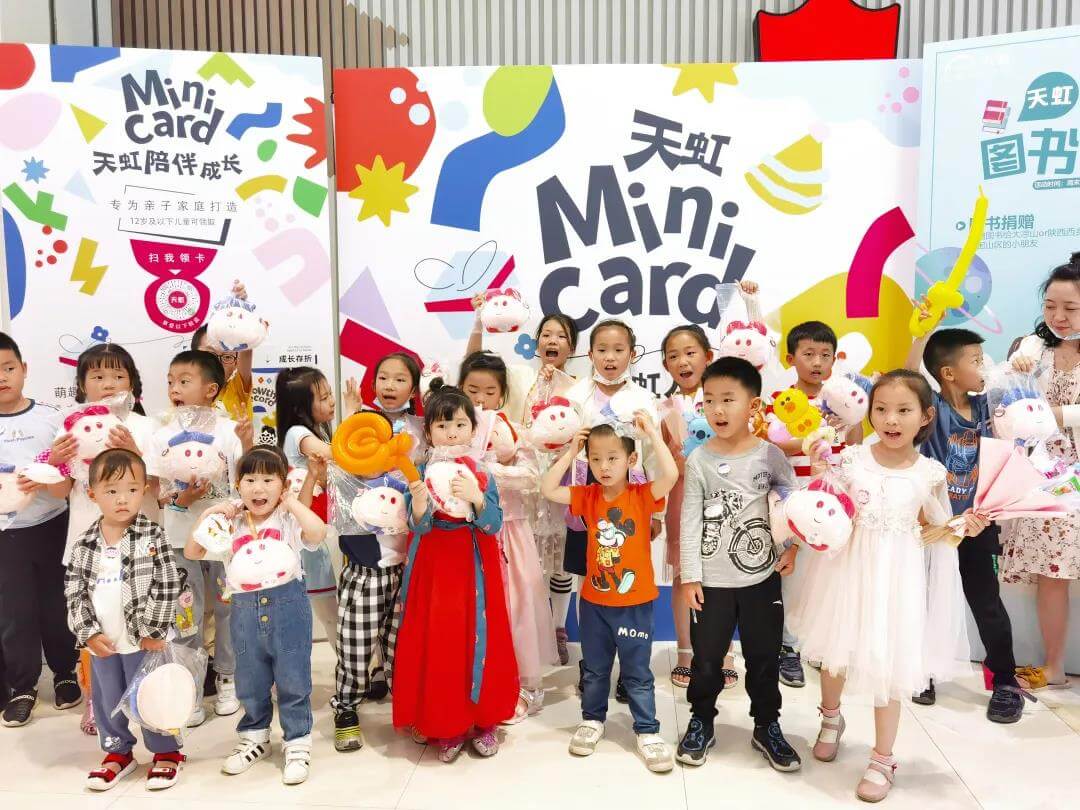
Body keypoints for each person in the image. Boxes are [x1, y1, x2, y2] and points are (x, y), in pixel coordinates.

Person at [787, 370, 988, 802]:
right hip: (845, 573)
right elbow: (827, 508)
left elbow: (936, 531)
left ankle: (882, 757)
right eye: (881, 409)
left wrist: (962, 527)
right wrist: (821, 474)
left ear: (925, 416)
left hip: (896, 581)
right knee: (835, 655)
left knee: (888, 665)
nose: (890, 419)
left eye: (903, 410)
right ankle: (831, 718)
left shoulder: (929, 473)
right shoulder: (852, 459)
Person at [676, 357, 802, 772]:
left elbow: (792, 502)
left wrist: (792, 547)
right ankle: (701, 719)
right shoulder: (699, 460)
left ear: (753, 405)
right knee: (707, 658)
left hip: (762, 579)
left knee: (764, 658)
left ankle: (767, 725)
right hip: (711, 582)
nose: (717, 409)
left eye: (728, 399)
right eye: (709, 400)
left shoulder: (770, 455)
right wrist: (690, 576)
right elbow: (690, 520)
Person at [541, 412, 679, 774]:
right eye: (596, 458)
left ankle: (647, 730)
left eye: (613, 458)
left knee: (637, 672)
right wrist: (571, 453)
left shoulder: (642, 496)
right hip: (594, 603)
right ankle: (592, 719)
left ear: (631, 460)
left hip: (635, 603)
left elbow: (670, 475)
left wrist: (653, 435)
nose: (603, 466)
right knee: (595, 669)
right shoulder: (587, 496)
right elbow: (548, 489)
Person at [905, 327, 1028, 721]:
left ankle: (1005, 680)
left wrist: (1022, 369)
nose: (984, 367)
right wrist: (919, 336)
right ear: (948, 373)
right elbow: (907, 379)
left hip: (978, 525)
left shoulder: (988, 405)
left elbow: (1028, 408)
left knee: (987, 602)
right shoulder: (932, 410)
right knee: (925, 600)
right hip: (936, 526)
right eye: (975, 361)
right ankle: (922, 672)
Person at [186, 446, 327, 785]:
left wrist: (292, 503)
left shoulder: (287, 519)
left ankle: (297, 741)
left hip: (288, 608)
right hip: (244, 610)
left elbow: (317, 532)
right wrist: (211, 513)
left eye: (268, 480)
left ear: (282, 485)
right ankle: (254, 737)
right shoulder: (231, 522)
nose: (258, 488)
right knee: (250, 678)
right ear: (238, 485)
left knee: (293, 678)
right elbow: (193, 551)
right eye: (249, 480)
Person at [392, 382, 517, 763]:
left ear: (473, 429)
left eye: (460, 424)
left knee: (480, 636)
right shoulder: (419, 470)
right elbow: (419, 526)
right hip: (435, 563)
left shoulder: (482, 472)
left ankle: (484, 720)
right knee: (442, 640)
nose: (451, 432)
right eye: (442, 425)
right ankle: (447, 724)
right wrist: (418, 504)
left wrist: (477, 498)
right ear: (428, 432)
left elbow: (493, 524)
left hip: (475, 562)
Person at [56, 343, 160, 735]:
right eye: (98, 376)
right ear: (82, 384)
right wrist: (54, 463)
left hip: (140, 544)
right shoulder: (70, 424)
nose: (109, 383)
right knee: (93, 622)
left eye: (118, 375)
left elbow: (158, 489)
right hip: (88, 541)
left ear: (133, 382)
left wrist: (136, 453)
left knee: (143, 621)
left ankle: (147, 697)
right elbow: (60, 491)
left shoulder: (145, 426)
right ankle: (96, 699)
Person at [468, 303, 580, 664]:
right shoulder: (517, 375)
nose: (552, 340)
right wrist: (478, 321)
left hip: (559, 478)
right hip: (520, 485)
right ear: (536, 342)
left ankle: (558, 628)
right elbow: (473, 370)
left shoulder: (579, 388)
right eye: (546, 334)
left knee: (559, 560)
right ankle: (526, 632)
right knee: (526, 563)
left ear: (572, 347)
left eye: (561, 336)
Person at [65, 449, 184, 791]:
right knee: (107, 698)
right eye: (112, 490)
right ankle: (118, 752)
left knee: (150, 695)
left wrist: (154, 630)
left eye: (131, 489)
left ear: (144, 490)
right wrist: (88, 633)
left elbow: (167, 583)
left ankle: (166, 752)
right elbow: (74, 591)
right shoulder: (84, 543)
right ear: (93, 494)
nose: (122, 499)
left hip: (144, 640)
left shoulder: (152, 535)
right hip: (104, 641)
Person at [564, 319, 661, 700]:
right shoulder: (575, 395)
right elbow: (560, 444)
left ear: (632, 355)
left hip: (629, 506)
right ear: (590, 354)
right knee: (587, 579)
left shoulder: (643, 400)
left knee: (625, 579)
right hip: (585, 500)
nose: (610, 357)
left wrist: (654, 513)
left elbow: (651, 456)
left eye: (619, 350)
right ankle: (592, 664)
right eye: (602, 350)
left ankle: (628, 668)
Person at [460, 350, 557, 722]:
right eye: (472, 390)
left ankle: (524, 685)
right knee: (473, 611)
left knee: (515, 606)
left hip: (508, 531)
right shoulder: (452, 428)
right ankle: (476, 684)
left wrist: (486, 470)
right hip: (464, 536)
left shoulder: (510, 429)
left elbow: (531, 477)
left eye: (489, 391)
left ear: (501, 394)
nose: (480, 399)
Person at [332, 353, 423, 752]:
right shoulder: (359, 425)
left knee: (403, 643)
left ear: (413, 388)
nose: (389, 385)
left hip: (409, 559)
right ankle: (346, 708)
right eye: (383, 377)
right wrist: (353, 415)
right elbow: (342, 477)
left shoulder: (419, 431)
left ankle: (408, 706)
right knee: (356, 642)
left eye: (400, 379)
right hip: (366, 561)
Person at [767, 319, 861, 688]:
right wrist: (814, 435)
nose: (817, 362)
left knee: (827, 577)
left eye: (825, 355)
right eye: (809, 354)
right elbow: (772, 444)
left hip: (834, 500)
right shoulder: (781, 400)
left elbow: (854, 444)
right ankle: (788, 647)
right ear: (791, 359)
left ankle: (821, 646)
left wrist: (849, 421)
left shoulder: (840, 400)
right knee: (792, 577)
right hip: (793, 498)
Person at [154, 349, 244, 725]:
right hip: (180, 539)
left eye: (184, 381)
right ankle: (189, 685)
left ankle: (227, 677)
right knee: (186, 614)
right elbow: (158, 491)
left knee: (227, 609)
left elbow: (242, 486)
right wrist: (181, 499)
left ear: (211, 390)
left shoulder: (229, 432)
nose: (174, 388)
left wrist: (226, 508)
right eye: (171, 382)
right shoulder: (163, 433)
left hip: (222, 539)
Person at [1004, 254, 1080, 691]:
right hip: (1045, 475)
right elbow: (1005, 398)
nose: (1058, 316)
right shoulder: (1032, 349)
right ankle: (1054, 666)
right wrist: (1015, 370)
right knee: (1052, 573)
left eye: (1070, 308)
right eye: (1050, 306)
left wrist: (1053, 414)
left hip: (1072, 471)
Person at [0, 332, 80, 728]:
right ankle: (22, 688)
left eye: (8, 368)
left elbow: (66, 486)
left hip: (52, 526)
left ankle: (65, 674)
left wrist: (44, 474)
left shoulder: (51, 419)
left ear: (24, 369)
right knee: (15, 613)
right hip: (5, 535)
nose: (2, 377)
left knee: (57, 605)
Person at [659, 323, 739, 692]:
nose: (683, 361)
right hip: (682, 496)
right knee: (683, 575)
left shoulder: (727, 400)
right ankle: (685, 652)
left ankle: (724, 654)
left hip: (724, 496)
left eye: (690, 353)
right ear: (666, 365)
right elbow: (659, 460)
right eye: (673, 356)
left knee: (722, 577)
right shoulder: (663, 409)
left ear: (708, 357)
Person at [275, 367, 339, 652]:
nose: (332, 401)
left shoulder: (317, 430)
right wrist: (355, 416)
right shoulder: (298, 433)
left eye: (330, 395)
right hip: (303, 539)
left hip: (311, 534)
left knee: (329, 611)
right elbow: (332, 454)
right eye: (324, 398)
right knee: (327, 612)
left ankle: (349, 666)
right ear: (301, 408)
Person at [190, 279, 255, 428]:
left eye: (227, 357)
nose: (217, 363)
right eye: (210, 354)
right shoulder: (184, 393)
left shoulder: (236, 390)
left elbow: (246, 345)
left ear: (236, 363)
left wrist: (241, 314)